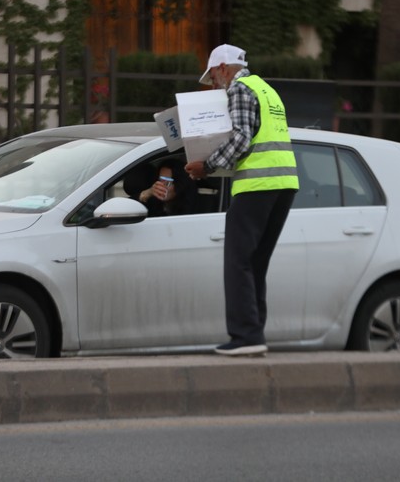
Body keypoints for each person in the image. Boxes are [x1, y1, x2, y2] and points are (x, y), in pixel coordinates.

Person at [185, 44, 299, 357]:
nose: (215, 85)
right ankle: (254, 333)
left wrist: (205, 166)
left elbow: (241, 139)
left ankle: (245, 336)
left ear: (223, 67)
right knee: (255, 263)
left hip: (257, 185)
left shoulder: (239, 89)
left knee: (237, 263)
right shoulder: (267, 90)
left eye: (213, 77)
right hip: (284, 183)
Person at [126, 159, 199, 216]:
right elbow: (123, 209)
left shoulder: (192, 207)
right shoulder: (153, 201)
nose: (161, 186)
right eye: (160, 181)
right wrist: (145, 194)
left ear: (180, 185)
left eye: (167, 182)